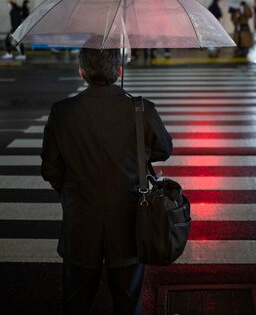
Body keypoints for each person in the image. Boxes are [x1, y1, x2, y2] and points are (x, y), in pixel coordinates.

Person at [41, 47, 173, 315]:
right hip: (128, 221)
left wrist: (71, 191)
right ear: (119, 71)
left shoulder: (62, 112)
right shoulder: (141, 110)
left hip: (80, 220)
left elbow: (50, 169)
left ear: (82, 72)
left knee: (76, 301)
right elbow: (163, 150)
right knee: (127, 303)